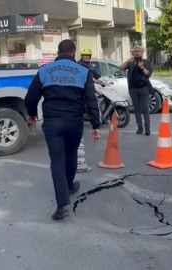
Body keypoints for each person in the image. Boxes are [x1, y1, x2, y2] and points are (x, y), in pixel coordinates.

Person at [24, 39, 101, 220]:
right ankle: (69, 185)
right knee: (72, 153)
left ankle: (62, 205)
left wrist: (32, 114)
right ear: (74, 54)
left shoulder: (44, 71)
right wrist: (96, 125)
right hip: (74, 123)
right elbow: (91, 100)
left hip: (53, 124)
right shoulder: (83, 71)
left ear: (58, 54)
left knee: (57, 160)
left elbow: (30, 97)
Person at [120, 46, 153, 135]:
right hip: (133, 89)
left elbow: (148, 74)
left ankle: (147, 128)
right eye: (135, 51)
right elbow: (122, 68)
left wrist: (142, 67)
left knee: (145, 109)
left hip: (143, 88)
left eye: (139, 51)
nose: (137, 53)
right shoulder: (130, 62)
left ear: (142, 53)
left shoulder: (146, 62)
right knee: (136, 109)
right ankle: (140, 128)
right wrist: (128, 61)